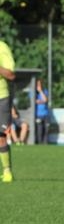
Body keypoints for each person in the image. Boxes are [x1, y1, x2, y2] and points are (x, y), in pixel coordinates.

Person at [0, 39, 16, 182]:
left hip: (1, 97)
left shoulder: (2, 47)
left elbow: (11, 75)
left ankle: (7, 171)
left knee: (0, 136)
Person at [35, 78, 49, 144]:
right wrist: (42, 101)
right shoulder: (34, 92)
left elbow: (45, 100)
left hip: (46, 114)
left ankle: (45, 144)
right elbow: (35, 101)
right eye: (38, 84)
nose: (39, 86)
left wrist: (41, 91)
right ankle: (39, 144)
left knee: (46, 130)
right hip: (38, 114)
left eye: (40, 84)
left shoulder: (45, 91)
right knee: (39, 131)